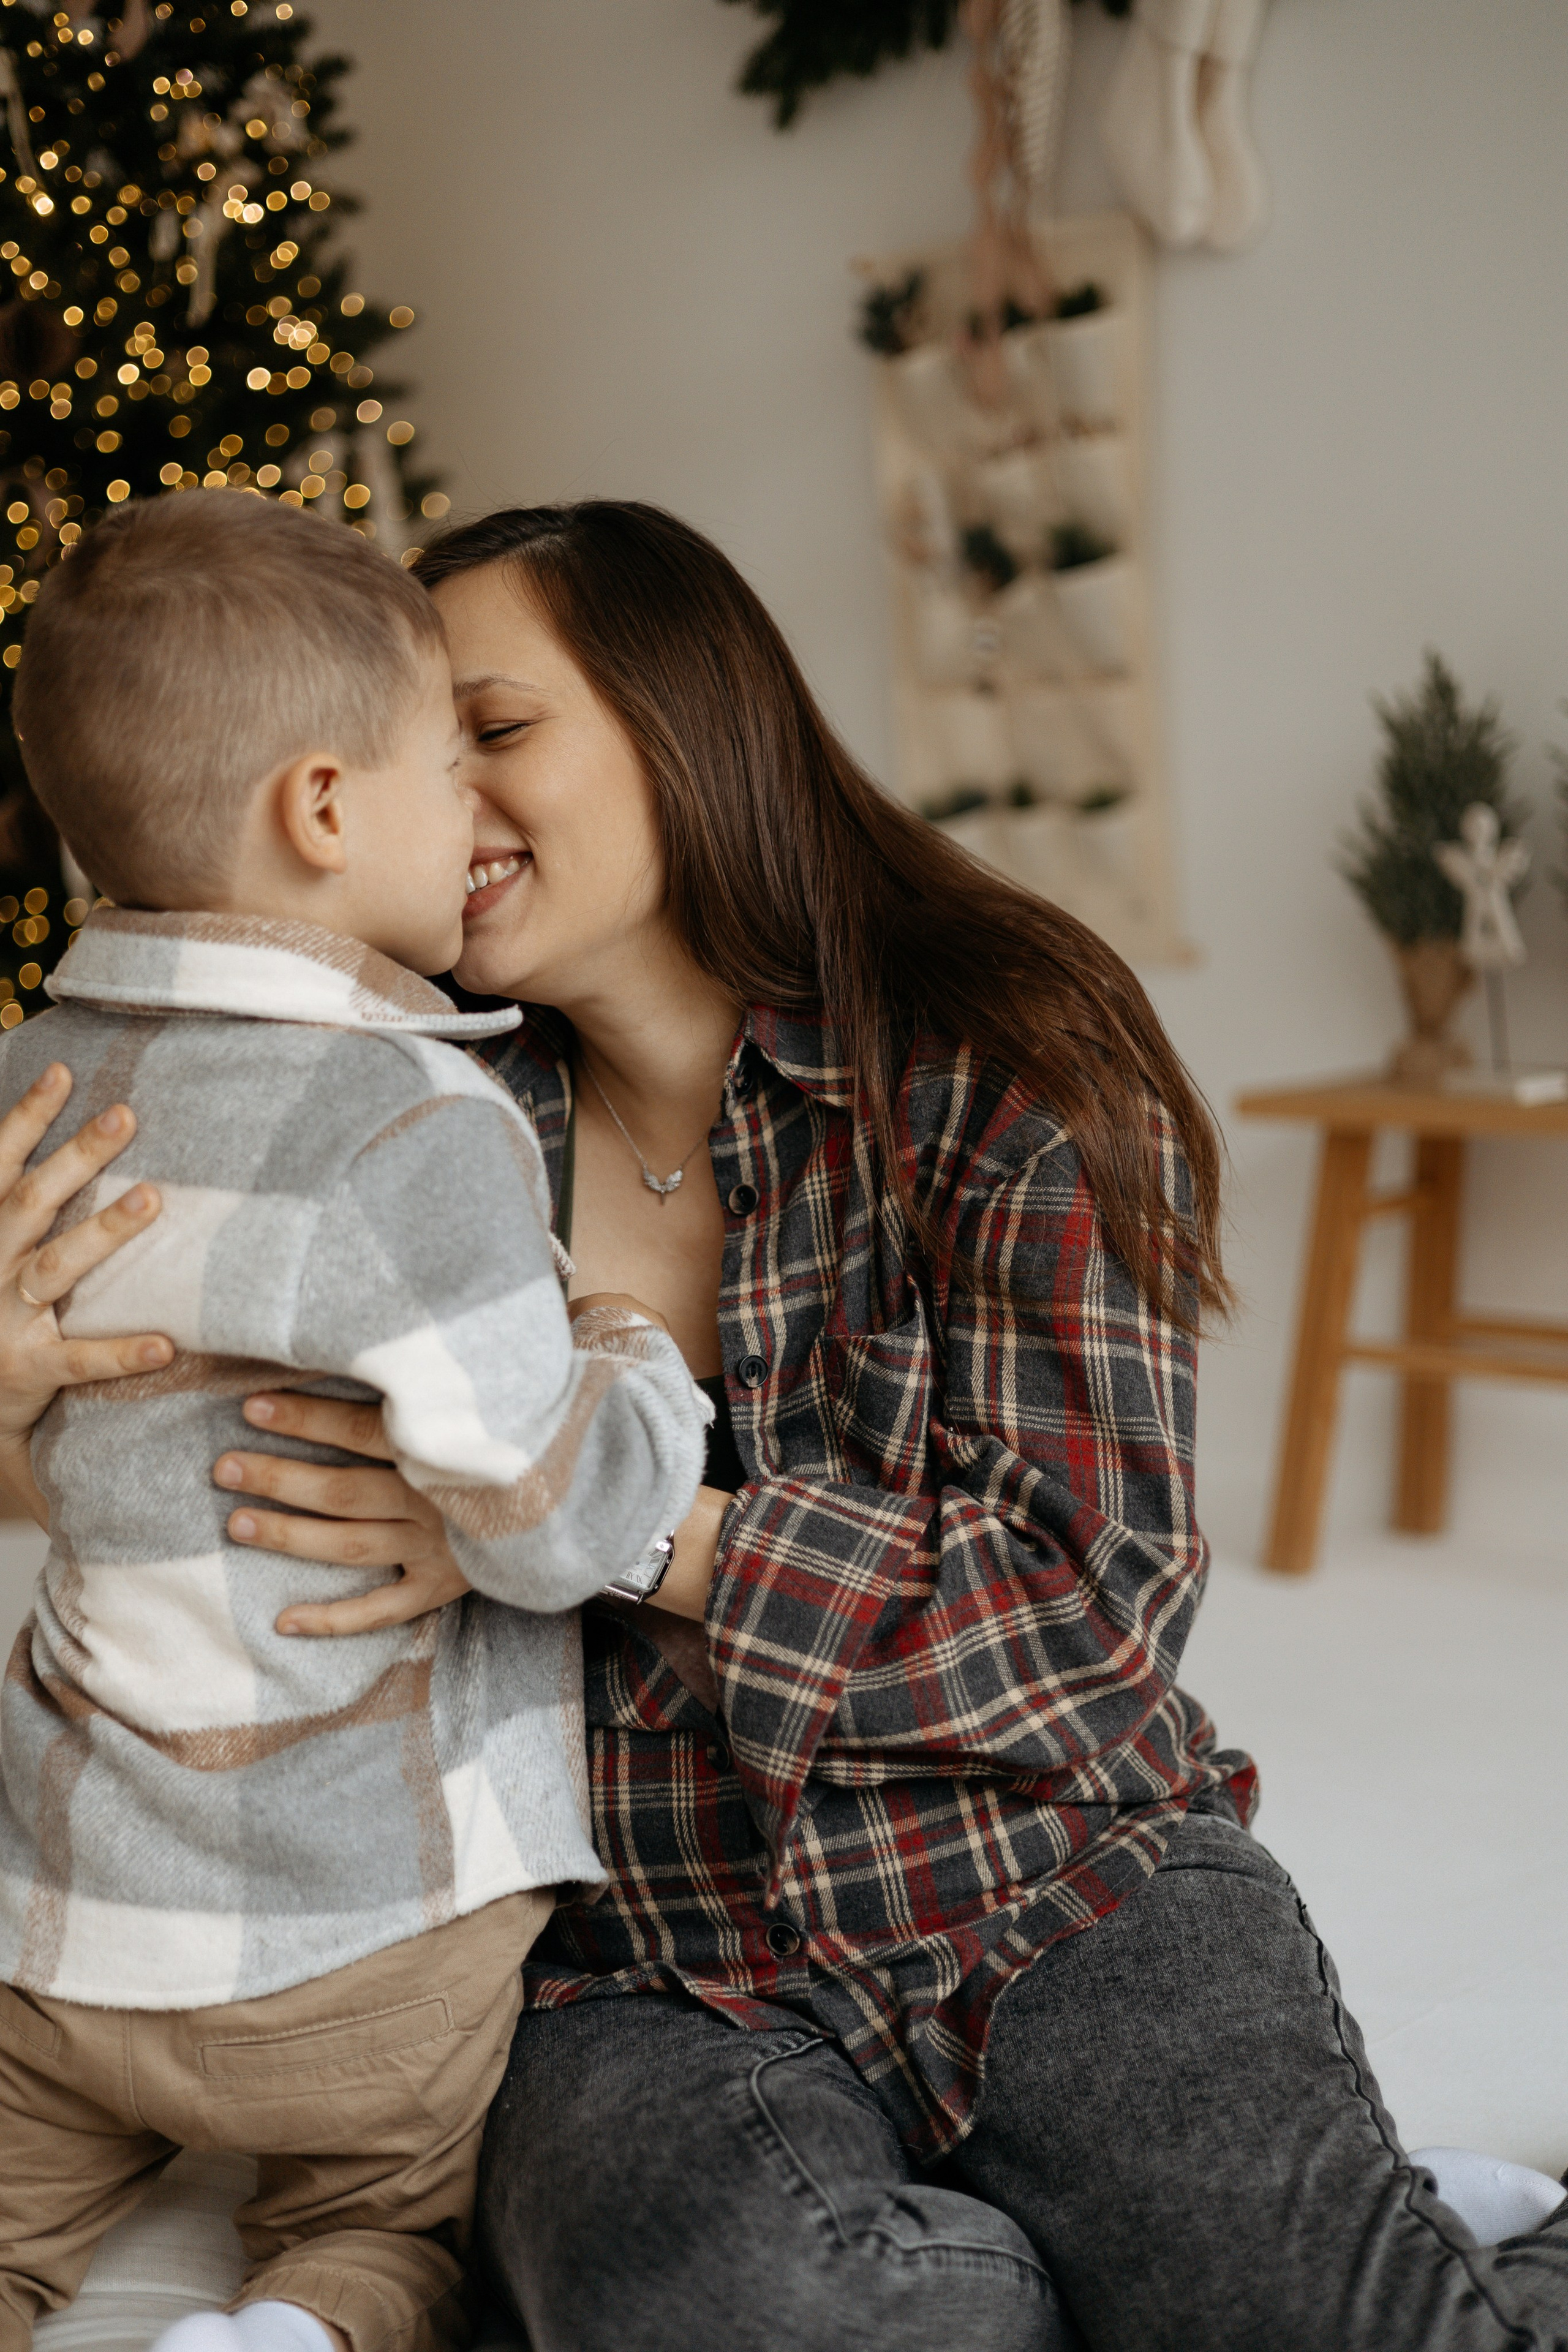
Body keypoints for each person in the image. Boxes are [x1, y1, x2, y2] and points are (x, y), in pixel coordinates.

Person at [2, 498, 1566, 2352]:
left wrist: (593, 1531)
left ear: (685, 720)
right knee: (785, 2310)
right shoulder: (370, 1126)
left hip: (1052, 1885)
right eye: (417, 751)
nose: (444, 798)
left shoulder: (997, 1059)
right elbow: (161, 1483)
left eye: (492, 730)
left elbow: (1091, 1603)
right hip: (628, 1974)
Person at [0, 492, 708, 2352]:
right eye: (442, 768)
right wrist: (629, 1348)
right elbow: (549, 1516)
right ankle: (293, 2329)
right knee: (401, 2229)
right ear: (325, 812)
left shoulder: (25, 1080)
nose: (473, 818)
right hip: (361, 1945)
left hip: (57, 1927)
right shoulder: (411, 1128)